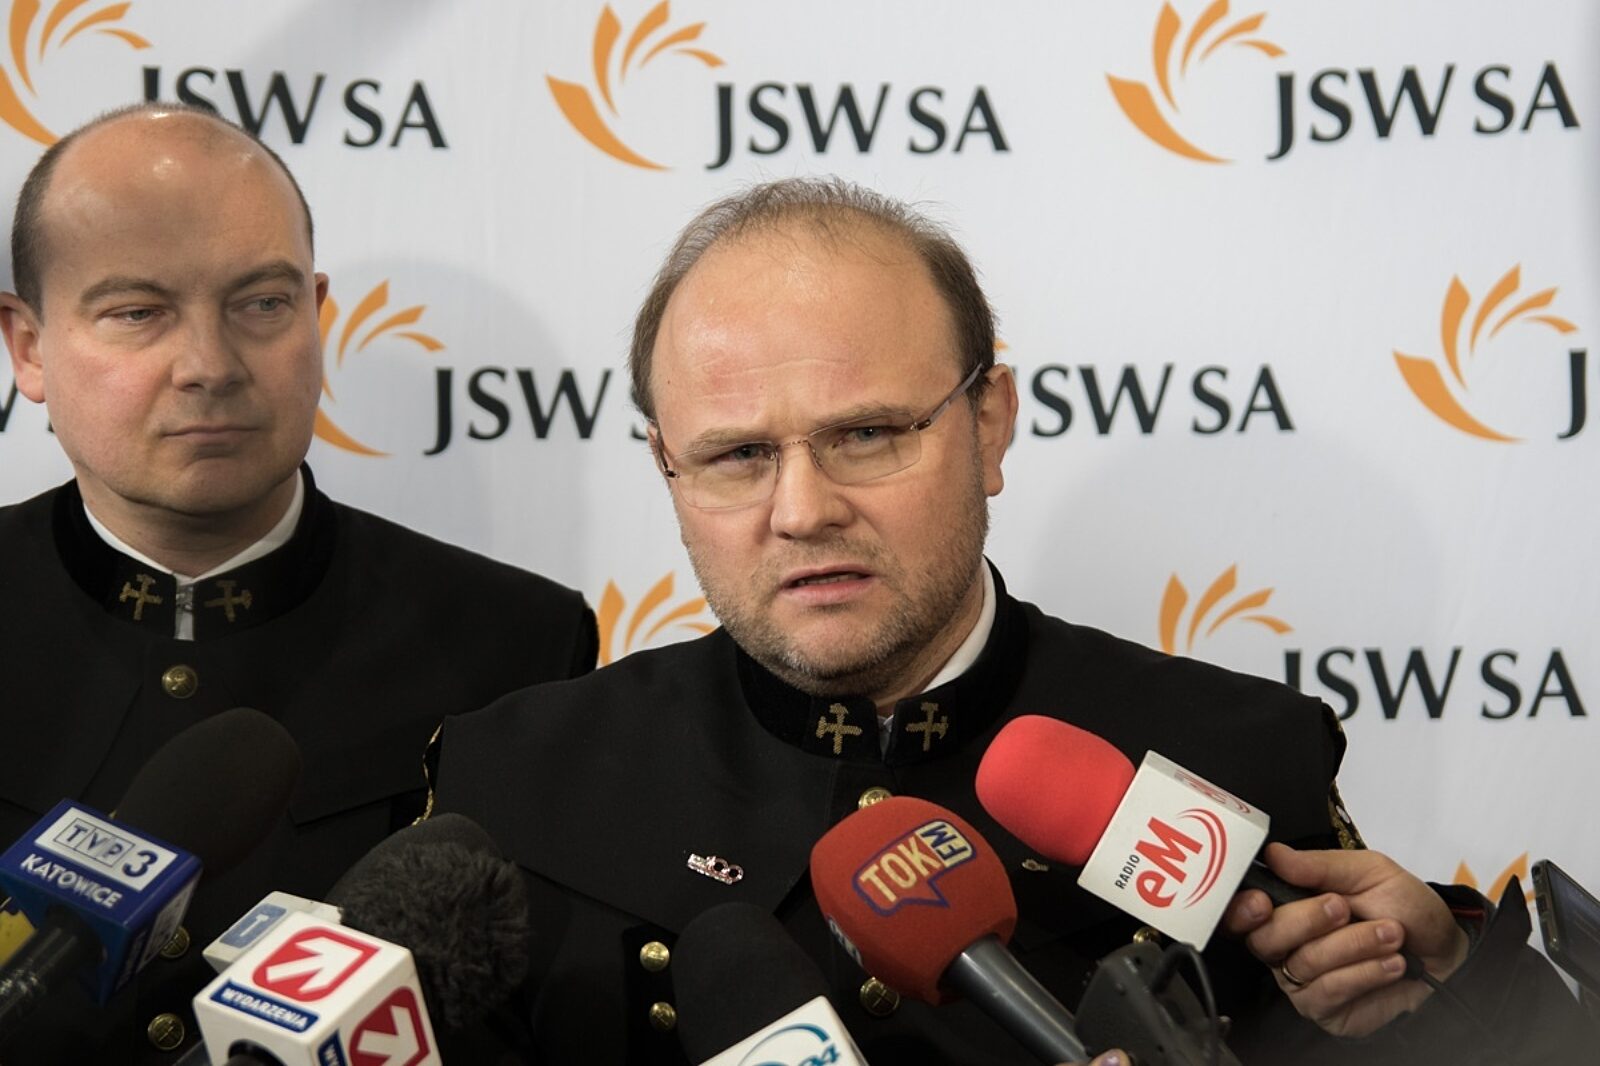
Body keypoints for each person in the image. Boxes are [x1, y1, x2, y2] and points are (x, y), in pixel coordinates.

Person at [430, 178, 1590, 1064]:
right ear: (665, 468)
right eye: (736, 455)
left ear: (989, 422)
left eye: (866, 434)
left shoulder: (1236, 756)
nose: (802, 510)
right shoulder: (513, 782)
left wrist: (1451, 987)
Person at [0, 103, 597, 1063]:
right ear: (28, 347)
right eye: (139, 312)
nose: (209, 366)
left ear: (316, 313)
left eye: (262, 304)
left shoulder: (518, 644)